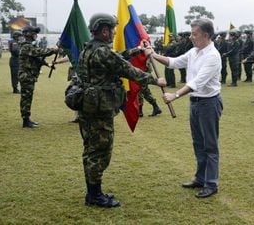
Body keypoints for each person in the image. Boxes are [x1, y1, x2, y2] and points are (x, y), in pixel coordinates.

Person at [77, 13, 166, 208]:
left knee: (90, 150)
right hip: (100, 110)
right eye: (112, 29)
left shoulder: (89, 49)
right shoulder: (102, 52)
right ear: (104, 30)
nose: (115, 32)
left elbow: (117, 58)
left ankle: (93, 192)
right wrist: (154, 80)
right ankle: (94, 195)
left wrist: (136, 50)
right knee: (100, 152)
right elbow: (126, 69)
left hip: (88, 107)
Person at [145, 18, 223, 199]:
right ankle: (200, 177)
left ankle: (211, 184)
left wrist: (175, 95)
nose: (191, 37)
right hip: (195, 103)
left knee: (210, 145)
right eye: (191, 33)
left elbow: (198, 82)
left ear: (206, 35)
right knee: (198, 143)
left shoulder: (212, 56)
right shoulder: (195, 51)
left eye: (194, 34)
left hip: (209, 104)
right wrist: (153, 54)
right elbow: (174, 62)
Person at [19, 26, 59, 128]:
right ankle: (26, 120)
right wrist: (53, 50)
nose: (35, 35)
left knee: (28, 97)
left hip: (29, 76)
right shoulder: (26, 47)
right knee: (26, 98)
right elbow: (40, 52)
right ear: (29, 35)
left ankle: (27, 119)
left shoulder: (29, 46)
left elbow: (38, 59)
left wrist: (48, 65)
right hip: (26, 76)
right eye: (34, 33)